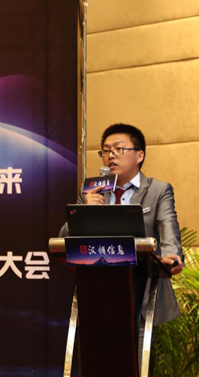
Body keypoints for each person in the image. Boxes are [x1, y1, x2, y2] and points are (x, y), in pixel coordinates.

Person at [61, 123, 183, 325]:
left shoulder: (158, 191)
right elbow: (64, 238)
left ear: (139, 155)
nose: (111, 156)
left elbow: (167, 224)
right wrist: (85, 212)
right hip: (98, 292)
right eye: (106, 151)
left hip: (143, 292)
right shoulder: (92, 191)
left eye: (119, 149)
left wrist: (172, 254)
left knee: (139, 346)